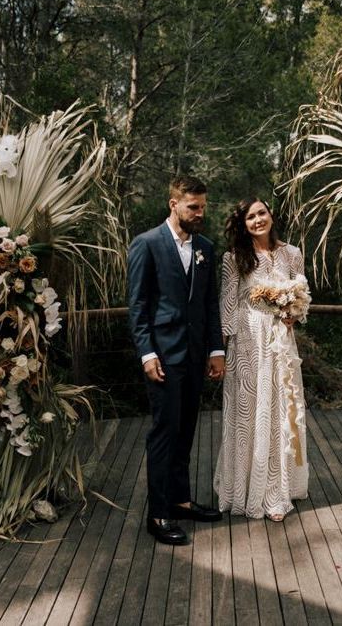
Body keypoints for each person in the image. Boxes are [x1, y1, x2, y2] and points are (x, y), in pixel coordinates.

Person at [127, 175, 225, 545]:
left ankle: (182, 501)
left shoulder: (205, 248)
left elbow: (209, 303)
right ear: (174, 204)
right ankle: (159, 513)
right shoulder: (147, 244)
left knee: (185, 431)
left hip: (196, 355)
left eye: (203, 206)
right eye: (193, 207)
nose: (200, 213)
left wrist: (216, 349)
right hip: (163, 357)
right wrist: (147, 353)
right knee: (164, 433)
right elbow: (137, 307)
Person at [213, 198, 309, 521]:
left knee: (280, 412)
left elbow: (302, 297)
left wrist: (292, 313)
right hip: (247, 344)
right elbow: (226, 306)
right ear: (243, 224)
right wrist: (219, 351)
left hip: (280, 343)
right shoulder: (233, 259)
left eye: (261, 213)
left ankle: (275, 493)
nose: (257, 220)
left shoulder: (291, 254)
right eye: (250, 217)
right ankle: (243, 489)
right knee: (248, 415)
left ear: (271, 215)